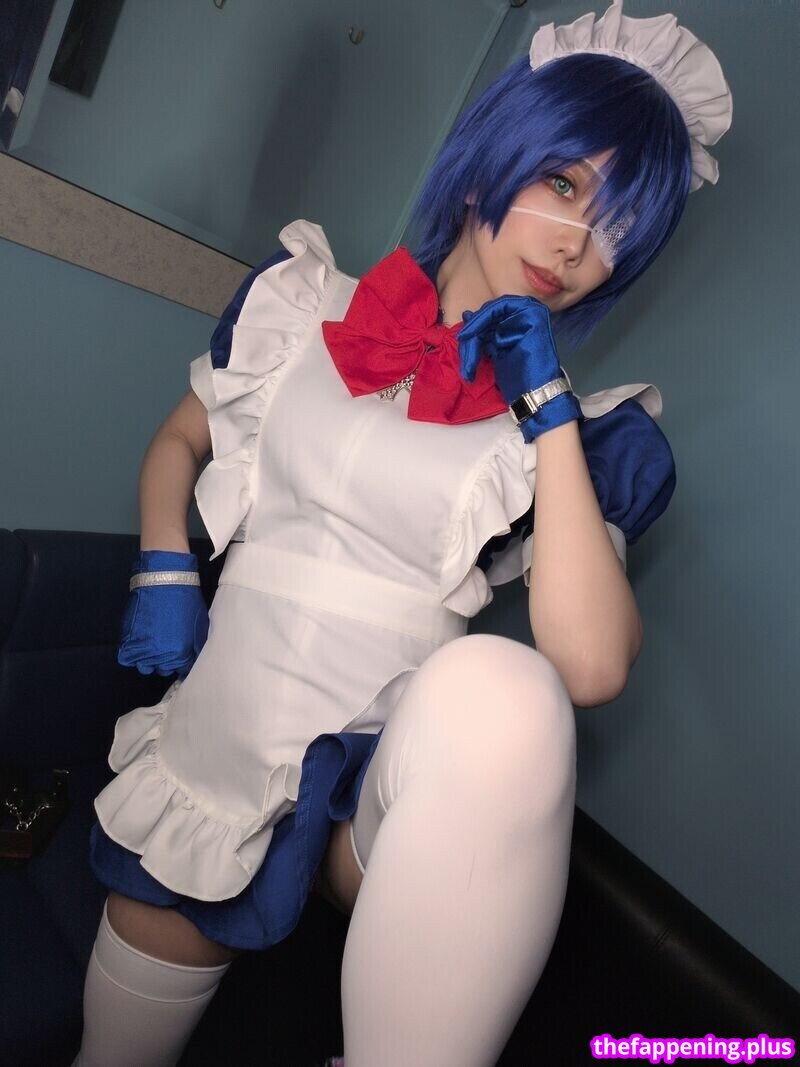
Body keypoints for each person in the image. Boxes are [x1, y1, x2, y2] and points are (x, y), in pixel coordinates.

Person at [71, 2, 732, 1064]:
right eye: (564, 185)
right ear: (487, 166)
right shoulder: (303, 307)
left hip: (364, 791)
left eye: (617, 229)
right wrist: (164, 566)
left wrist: (549, 410)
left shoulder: (572, 436)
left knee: (507, 690)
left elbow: (591, 664)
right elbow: (179, 441)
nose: (576, 246)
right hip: (218, 743)